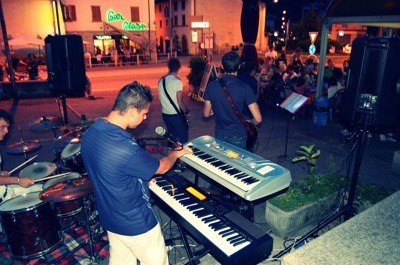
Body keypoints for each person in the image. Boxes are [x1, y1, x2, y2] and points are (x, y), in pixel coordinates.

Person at [81, 81, 192, 265]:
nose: (146, 117)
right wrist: (175, 154)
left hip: (110, 217)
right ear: (132, 110)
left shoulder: (92, 132)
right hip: (136, 223)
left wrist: (139, 180)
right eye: (144, 113)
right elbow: (162, 167)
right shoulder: (124, 147)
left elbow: (108, 170)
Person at [203, 52, 262, 149]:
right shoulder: (245, 88)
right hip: (239, 134)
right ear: (239, 66)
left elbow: (206, 114)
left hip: (220, 134)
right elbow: (258, 119)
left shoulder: (211, 86)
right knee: (237, 162)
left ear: (222, 66)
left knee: (224, 161)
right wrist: (250, 121)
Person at [0, 109, 41, 203]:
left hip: (7, 189)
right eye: (2, 127)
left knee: (44, 190)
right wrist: (18, 180)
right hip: (3, 200)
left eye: (7, 127)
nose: (6, 131)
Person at [158, 58, 189, 144]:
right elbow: (179, 101)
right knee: (184, 138)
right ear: (179, 68)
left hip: (165, 114)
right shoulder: (177, 81)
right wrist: (186, 111)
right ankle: (183, 156)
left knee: (172, 138)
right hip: (175, 115)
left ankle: (171, 155)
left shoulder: (161, 80)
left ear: (169, 67)